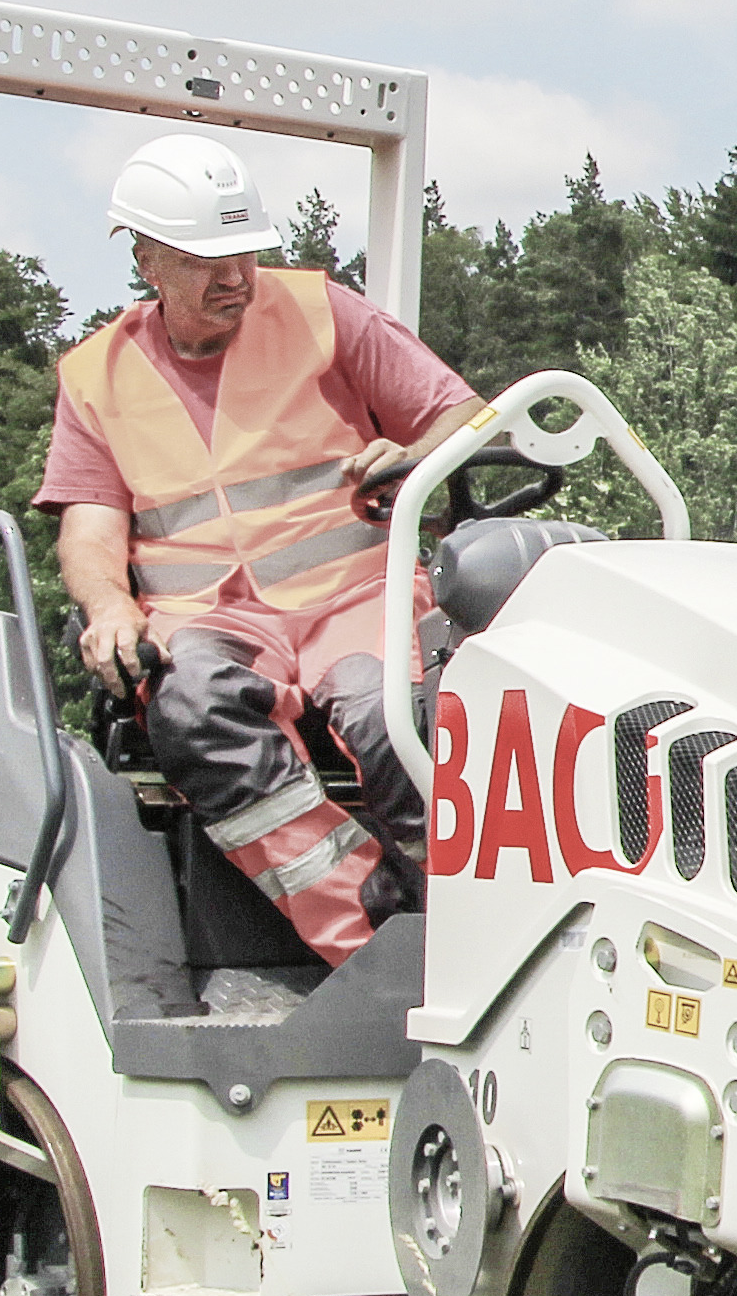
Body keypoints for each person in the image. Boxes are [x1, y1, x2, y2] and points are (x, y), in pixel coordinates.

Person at [41, 134, 481, 982]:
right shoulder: (96, 376)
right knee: (192, 710)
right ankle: (368, 940)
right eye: (206, 259)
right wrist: (108, 609)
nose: (235, 276)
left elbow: (462, 418)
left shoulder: (326, 314)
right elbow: (90, 532)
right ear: (146, 258)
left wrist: (417, 456)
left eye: (245, 252)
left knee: (397, 717)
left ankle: (456, 940)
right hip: (208, 621)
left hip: (353, 596)